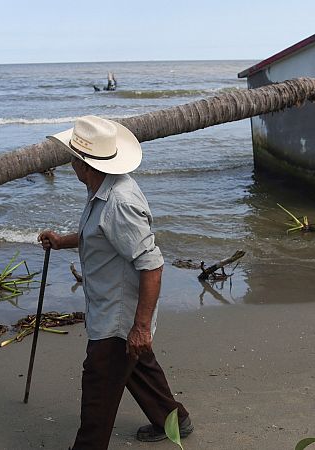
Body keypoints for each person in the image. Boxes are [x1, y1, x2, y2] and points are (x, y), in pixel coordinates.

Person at [38, 116, 193, 449]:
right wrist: (62, 241)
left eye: (73, 156)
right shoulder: (103, 187)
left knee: (99, 385)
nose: (69, 161)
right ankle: (175, 420)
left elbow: (152, 265)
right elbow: (101, 235)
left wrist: (139, 328)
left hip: (118, 319)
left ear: (84, 164)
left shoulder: (119, 202)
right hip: (111, 306)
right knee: (137, 369)